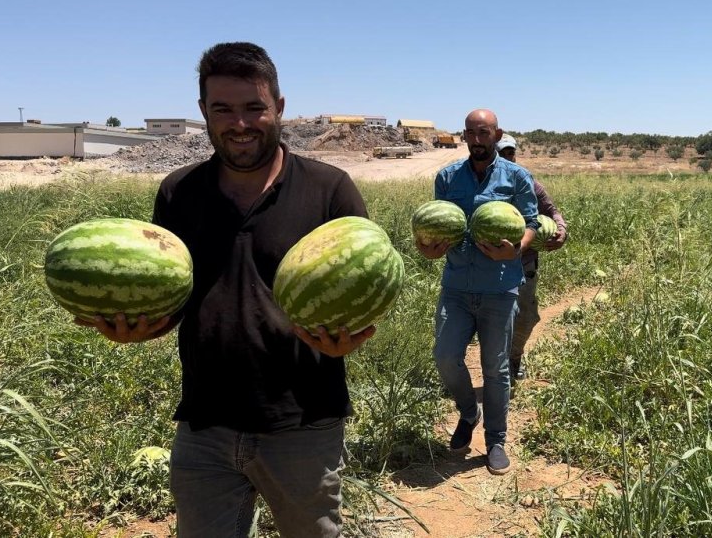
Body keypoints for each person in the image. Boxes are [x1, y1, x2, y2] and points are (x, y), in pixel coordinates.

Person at [75, 42, 374, 538]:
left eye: (254, 108)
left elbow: (363, 288)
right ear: (203, 113)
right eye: (224, 110)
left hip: (301, 423)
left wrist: (354, 336)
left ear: (279, 107)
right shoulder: (178, 191)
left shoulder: (330, 188)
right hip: (205, 421)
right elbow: (170, 296)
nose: (240, 124)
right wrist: (140, 328)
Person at [415, 109, 538, 475]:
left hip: (500, 286)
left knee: (496, 368)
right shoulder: (447, 176)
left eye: (484, 132)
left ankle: (496, 439)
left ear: (497, 134)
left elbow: (530, 223)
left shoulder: (517, 177)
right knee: (445, 356)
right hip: (455, 285)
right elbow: (436, 223)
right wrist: (427, 248)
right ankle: (469, 413)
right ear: (465, 136)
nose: (477, 139)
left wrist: (516, 248)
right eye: (471, 133)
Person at [494, 135, 568, 382]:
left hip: (525, 264)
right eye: (502, 153)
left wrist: (561, 230)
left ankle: (515, 357)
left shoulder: (531, 185)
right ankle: (496, 367)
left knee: (525, 318)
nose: (507, 158)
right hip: (493, 266)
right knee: (496, 320)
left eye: (510, 153)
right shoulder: (488, 187)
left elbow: (552, 211)